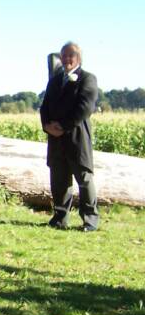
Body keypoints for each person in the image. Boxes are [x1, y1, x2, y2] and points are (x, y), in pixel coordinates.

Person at [40, 42, 100, 231]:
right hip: (55, 139)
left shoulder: (88, 79)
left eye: (70, 55)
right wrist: (47, 125)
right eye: (64, 55)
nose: (66, 59)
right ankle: (60, 217)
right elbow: (45, 105)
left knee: (84, 178)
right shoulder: (55, 80)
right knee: (59, 179)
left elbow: (84, 107)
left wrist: (63, 126)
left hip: (76, 137)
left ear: (78, 58)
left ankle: (90, 219)